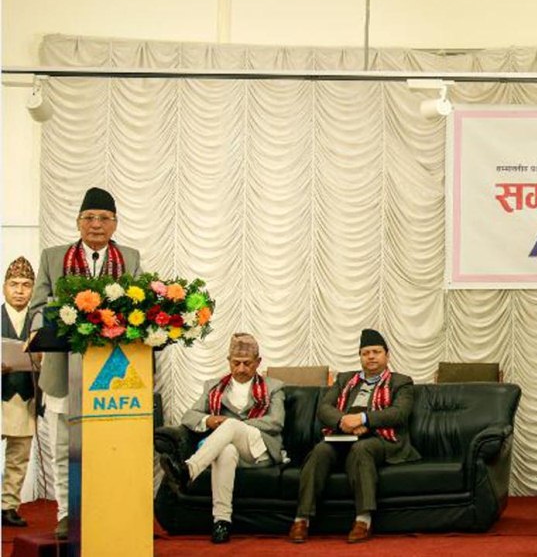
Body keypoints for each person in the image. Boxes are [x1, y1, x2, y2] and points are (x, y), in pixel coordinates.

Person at [28, 187, 142, 539]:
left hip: (110, 373)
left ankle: (105, 510)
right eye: (89, 218)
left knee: (108, 447)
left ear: (115, 224)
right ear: (78, 222)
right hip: (63, 370)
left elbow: (138, 308)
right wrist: (43, 331)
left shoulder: (130, 258)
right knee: (64, 448)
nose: (96, 224)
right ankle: (67, 513)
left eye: (104, 218)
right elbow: (36, 308)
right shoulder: (53, 257)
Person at [289, 329, 420, 544]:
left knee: (362, 449)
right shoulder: (345, 379)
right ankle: (302, 518)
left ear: (387, 355)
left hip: (380, 439)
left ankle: (363, 519)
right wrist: (344, 421)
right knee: (320, 450)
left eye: (376, 352)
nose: (371, 357)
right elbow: (324, 408)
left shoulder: (401, 382)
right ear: (360, 356)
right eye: (366, 353)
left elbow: (399, 413)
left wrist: (363, 419)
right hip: (343, 435)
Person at [159, 333, 284, 543]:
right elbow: (189, 416)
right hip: (229, 449)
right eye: (236, 363)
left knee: (231, 425)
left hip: (259, 449)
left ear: (258, 362)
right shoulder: (214, 386)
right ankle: (222, 522)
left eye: (247, 363)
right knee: (225, 451)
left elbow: (276, 422)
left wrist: (236, 425)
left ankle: (189, 469)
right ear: (228, 361)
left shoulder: (274, 387)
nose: (241, 369)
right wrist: (208, 420)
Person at [2, 257, 37, 527]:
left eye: (26, 285)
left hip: (25, 394)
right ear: (4, 287)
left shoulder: (39, 321)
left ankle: (8, 506)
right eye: (14, 284)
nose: (19, 290)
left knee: (19, 455)